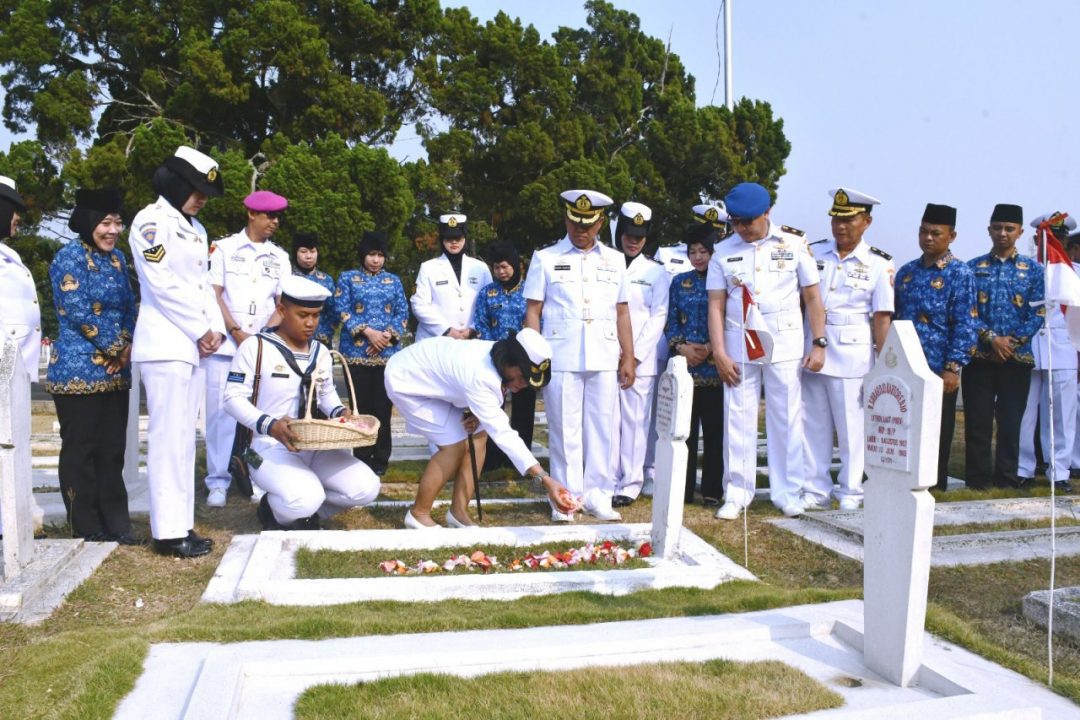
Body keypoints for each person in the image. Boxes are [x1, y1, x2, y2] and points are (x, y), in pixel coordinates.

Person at [707, 182, 826, 520]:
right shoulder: (723, 251)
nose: (742, 229)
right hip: (738, 345)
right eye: (736, 222)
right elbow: (715, 305)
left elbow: (813, 298)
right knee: (738, 417)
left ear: (768, 212)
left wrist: (818, 342)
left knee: (786, 418)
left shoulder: (794, 243)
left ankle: (787, 491)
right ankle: (737, 492)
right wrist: (719, 351)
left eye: (749, 222)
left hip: (784, 344)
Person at [224, 275, 381, 530]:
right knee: (305, 497)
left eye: (316, 315)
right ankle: (275, 511)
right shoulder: (257, 347)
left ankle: (309, 513)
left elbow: (326, 394)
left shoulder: (320, 351)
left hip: (314, 443)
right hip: (266, 445)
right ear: (282, 310)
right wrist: (270, 424)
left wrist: (342, 411)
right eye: (303, 315)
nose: (311, 323)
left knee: (366, 488)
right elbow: (232, 399)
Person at [130, 145, 226, 558]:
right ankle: (167, 532)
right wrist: (201, 328)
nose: (200, 198)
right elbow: (161, 284)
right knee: (169, 437)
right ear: (173, 183)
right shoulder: (150, 222)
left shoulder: (197, 228)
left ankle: (181, 522)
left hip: (193, 345)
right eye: (193, 188)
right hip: (165, 343)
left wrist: (216, 331)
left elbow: (203, 286)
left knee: (187, 438)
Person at [385, 327, 577, 527]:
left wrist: (476, 412)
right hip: (406, 379)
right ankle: (418, 514)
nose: (523, 384)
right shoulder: (482, 376)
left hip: (432, 378)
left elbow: (469, 387)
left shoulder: (498, 358)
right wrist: (546, 480)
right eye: (522, 376)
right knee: (454, 446)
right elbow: (504, 434)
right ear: (508, 363)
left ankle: (458, 512)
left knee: (479, 434)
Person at [523, 189, 636, 522]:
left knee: (602, 429)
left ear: (600, 222)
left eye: (587, 224)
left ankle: (600, 495)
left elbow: (623, 312)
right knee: (564, 429)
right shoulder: (544, 257)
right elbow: (533, 311)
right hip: (560, 355)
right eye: (574, 222)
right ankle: (566, 498)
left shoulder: (614, 260)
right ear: (566, 219)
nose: (580, 230)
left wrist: (628, 356)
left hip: (602, 354)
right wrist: (535, 356)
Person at [45, 188, 140, 543]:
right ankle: (86, 525)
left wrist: (126, 347)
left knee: (112, 449)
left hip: (116, 372)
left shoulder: (117, 260)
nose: (113, 230)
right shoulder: (66, 259)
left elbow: (131, 306)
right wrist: (116, 347)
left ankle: (117, 523)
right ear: (88, 223)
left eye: (117, 222)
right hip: (77, 370)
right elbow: (76, 310)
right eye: (105, 223)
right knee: (82, 450)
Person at [800, 188, 894, 511]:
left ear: (866, 222)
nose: (840, 226)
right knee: (813, 423)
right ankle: (815, 488)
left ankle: (851, 490)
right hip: (813, 346)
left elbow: (881, 317)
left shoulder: (879, 264)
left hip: (852, 354)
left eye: (849, 220)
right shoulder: (815, 253)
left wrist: (881, 365)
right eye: (836, 219)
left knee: (852, 428)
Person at [204, 190, 291, 506]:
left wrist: (261, 337)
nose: (274, 222)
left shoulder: (279, 257)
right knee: (220, 415)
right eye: (269, 216)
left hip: (262, 348)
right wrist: (236, 331)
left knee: (261, 416)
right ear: (251, 214)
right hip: (227, 345)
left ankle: (258, 476)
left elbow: (283, 304)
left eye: (277, 217)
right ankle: (217, 480)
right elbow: (214, 294)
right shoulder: (224, 249)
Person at [894, 203, 978, 491]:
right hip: (905, 367)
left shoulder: (960, 273)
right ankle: (904, 479)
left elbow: (965, 323)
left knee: (936, 430)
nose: (928, 238)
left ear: (951, 236)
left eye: (936, 233)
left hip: (937, 368)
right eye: (924, 232)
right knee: (905, 427)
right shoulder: (906, 273)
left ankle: (935, 484)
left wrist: (953, 367)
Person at [962, 203, 1042, 490]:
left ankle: (1007, 478)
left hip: (1016, 359)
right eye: (997, 228)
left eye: (1009, 228)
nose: (1003, 233)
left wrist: (1011, 342)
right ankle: (978, 480)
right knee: (978, 422)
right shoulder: (972, 268)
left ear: (1020, 232)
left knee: (1011, 424)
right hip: (980, 357)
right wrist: (991, 338)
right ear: (989, 230)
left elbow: (1038, 313)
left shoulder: (1033, 271)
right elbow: (967, 311)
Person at [611, 202, 670, 507]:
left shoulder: (656, 272)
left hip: (641, 359)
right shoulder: (606, 263)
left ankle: (630, 483)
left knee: (635, 422)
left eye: (640, 236)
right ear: (619, 231)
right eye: (629, 234)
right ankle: (606, 477)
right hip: (607, 354)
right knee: (607, 420)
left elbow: (658, 317)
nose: (633, 241)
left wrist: (634, 357)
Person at [336, 231, 409, 475]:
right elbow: (342, 309)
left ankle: (380, 460)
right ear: (363, 255)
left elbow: (402, 312)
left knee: (382, 409)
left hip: (386, 355)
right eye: (371, 254)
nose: (376, 260)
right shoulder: (348, 278)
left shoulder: (394, 281)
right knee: (360, 408)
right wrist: (368, 332)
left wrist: (386, 335)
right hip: (356, 353)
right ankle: (360, 459)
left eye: (380, 255)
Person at [1018, 212, 1078, 492]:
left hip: (1064, 349)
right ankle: (1023, 468)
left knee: (1062, 415)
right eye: (1047, 236)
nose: (1053, 241)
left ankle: (1060, 470)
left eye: (1059, 236)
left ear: (1065, 240)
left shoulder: (1073, 272)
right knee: (1025, 413)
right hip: (1029, 349)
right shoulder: (1026, 270)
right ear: (1036, 238)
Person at [666, 222, 724, 504]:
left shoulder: (724, 280)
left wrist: (715, 348)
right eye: (693, 252)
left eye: (704, 251)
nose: (698, 257)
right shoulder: (680, 282)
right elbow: (671, 320)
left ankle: (713, 489)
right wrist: (681, 347)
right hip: (685, 367)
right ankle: (683, 490)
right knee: (684, 434)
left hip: (716, 369)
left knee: (715, 433)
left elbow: (731, 318)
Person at [470, 242, 535, 472]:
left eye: (505, 267)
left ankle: (521, 459)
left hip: (525, 360)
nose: (501, 272)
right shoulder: (488, 292)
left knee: (523, 410)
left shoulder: (529, 291)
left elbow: (537, 321)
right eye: (496, 267)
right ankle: (492, 457)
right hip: (496, 361)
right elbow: (481, 323)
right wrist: (494, 349)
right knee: (494, 409)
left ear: (517, 266)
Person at [411, 213, 492, 342]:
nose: (454, 242)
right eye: (449, 238)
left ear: (465, 238)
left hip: (472, 340)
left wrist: (473, 329)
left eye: (458, 238)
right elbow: (418, 304)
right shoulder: (428, 268)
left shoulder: (481, 268)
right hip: (435, 341)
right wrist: (447, 330)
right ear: (442, 239)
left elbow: (489, 303)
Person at [0, 175, 40, 383]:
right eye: (13, 210)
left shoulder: (9, 254)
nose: (17, 218)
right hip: (5, 367)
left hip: (16, 369)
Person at [292, 231, 337, 348]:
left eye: (312, 251)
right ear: (295, 253)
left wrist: (325, 333)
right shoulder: (287, 278)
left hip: (321, 340)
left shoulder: (326, 280)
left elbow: (334, 311)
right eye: (303, 251)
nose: (308, 256)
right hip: (291, 338)